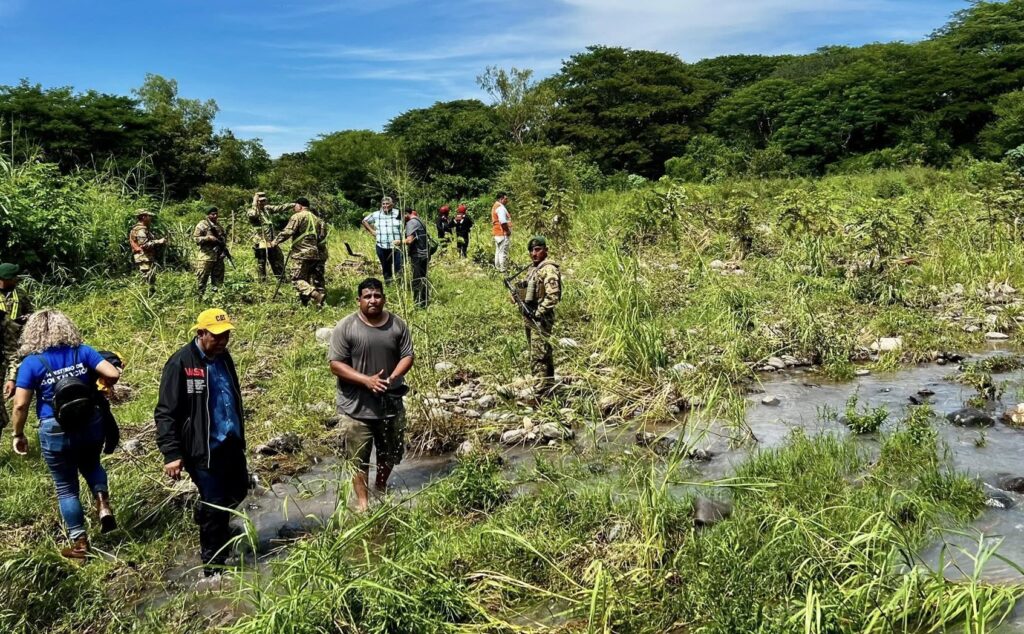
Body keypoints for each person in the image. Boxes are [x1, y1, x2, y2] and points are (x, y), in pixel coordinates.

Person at [9, 310, 122, 559]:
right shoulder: (82, 351)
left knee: (66, 487)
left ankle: (80, 544)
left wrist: (18, 434)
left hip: (55, 428)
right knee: (92, 464)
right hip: (90, 422)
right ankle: (102, 503)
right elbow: (113, 373)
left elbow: (20, 405)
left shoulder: (32, 363)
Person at [155, 308, 247, 577]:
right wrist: (171, 453)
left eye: (226, 335)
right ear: (201, 333)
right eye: (217, 336)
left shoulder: (223, 357)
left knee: (239, 490)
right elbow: (165, 411)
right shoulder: (181, 363)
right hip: (201, 448)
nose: (222, 341)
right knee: (215, 503)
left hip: (229, 440)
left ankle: (209, 518)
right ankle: (213, 568)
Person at [328, 278, 414, 512]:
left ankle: (381, 486)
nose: (373, 300)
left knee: (390, 453)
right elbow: (335, 364)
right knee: (359, 458)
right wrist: (367, 380)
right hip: (356, 406)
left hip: (390, 402)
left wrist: (393, 377)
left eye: (377, 296)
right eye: (367, 296)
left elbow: (407, 355)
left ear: (384, 298)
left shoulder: (397, 325)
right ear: (359, 300)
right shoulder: (346, 327)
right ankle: (363, 503)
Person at [519, 236, 562, 394]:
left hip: (541, 317)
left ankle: (539, 390)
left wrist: (539, 312)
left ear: (545, 250)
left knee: (538, 353)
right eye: (531, 250)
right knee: (542, 350)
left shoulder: (548, 269)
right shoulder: (533, 269)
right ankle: (549, 385)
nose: (533, 253)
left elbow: (553, 295)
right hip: (531, 316)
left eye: (537, 250)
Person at [269, 197, 328, 307]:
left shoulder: (298, 216)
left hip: (301, 253)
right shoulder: (317, 219)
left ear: (300, 206)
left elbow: (288, 232)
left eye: (295, 206)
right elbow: (321, 237)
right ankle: (306, 303)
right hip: (315, 253)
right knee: (307, 278)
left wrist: (274, 242)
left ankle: (316, 295)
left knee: (297, 279)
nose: (294, 208)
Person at [1, 262, 33, 430]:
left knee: (19, 366)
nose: (16, 281)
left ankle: (19, 389)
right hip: (2, 341)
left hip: (18, 339)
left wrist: (25, 318)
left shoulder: (19, 294)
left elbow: (31, 312)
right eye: (13, 278)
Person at [361, 197, 404, 283]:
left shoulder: (398, 213)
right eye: (383, 204)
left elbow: (407, 220)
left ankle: (400, 286)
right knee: (386, 267)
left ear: (392, 204)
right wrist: (372, 231)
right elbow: (364, 221)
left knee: (399, 267)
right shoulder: (376, 214)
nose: (385, 206)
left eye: (387, 204)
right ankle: (389, 285)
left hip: (397, 247)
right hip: (381, 246)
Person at [248, 192, 286, 282]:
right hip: (260, 241)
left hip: (271, 241)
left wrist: (293, 205)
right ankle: (262, 281)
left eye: (264, 201)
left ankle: (281, 280)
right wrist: (254, 203)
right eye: (260, 201)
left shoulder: (267, 209)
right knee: (262, 262)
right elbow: (254, 215)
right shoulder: (252, 211)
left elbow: (279, 208)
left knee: (277, 259)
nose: (262, 203)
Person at [129, 209, 166, 296]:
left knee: (150, 278)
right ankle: (146, 297)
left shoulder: (141, 229)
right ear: (143, 217)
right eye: (148, 216)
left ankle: (150, 296)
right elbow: (144, 245)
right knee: (147, 279)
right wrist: (159, 241)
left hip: (146, 257)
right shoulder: (141, 230)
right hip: (144, 257)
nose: (150, 218)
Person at [193, 206, 228, 297]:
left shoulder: (219, 226)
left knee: (218, 281)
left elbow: (224, 240)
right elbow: (195, 239)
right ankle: (199, 299)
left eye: (216, 214)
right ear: (207, 215)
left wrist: (224, 252)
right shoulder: (202, 225)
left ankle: (216, 298)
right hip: (206, 257)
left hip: (218, 257)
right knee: (202, 280)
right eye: (212, 214)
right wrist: (207, 238)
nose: (215, 216)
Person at [400, 209, 430, 308]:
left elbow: (409, 240)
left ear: (405, 214)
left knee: (417, 280)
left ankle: (418, 304)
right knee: (423, 278)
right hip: (424, 254)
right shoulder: (419, 220)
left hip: (418, 255)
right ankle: (424, 301)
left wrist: (398, 242)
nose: (401, 220)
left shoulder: (411, 223)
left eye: (401, 217)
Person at [491, 193, 512, 272]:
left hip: (497, 233)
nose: (507, 200)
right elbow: (503, 221)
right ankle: (503, 271)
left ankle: (498, 269)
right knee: (503, 253)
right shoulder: (500, 208)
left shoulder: (495, 206)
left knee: (498, 252)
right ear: (501, 199)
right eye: (505, 199)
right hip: (502, 233)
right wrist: (507, 231)